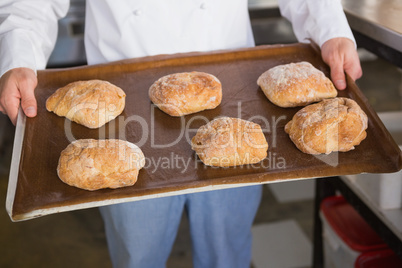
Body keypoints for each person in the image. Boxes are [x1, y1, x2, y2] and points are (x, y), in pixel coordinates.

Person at [0, 0, 362, 267]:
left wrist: (330, 29)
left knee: (227, 252)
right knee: (137, 255)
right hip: (122, 117)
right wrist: (17, 57)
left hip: (235, 102)